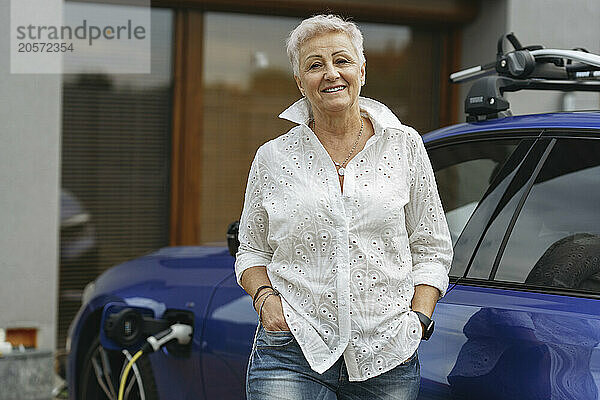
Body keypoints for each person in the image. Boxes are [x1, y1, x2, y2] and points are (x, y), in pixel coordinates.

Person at [235, 14, 453, 400]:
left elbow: (431, 247)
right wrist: (265, 300)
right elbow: (251, 249)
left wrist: (419, 318)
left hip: (388, 353)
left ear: (362, 71)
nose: (331, 73)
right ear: (300, 83)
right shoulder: (272, 158)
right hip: (292, 348)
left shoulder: (405, 147)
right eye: (315, 65)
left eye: (342, 60)